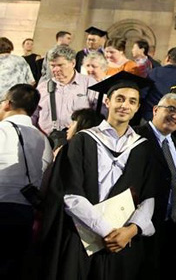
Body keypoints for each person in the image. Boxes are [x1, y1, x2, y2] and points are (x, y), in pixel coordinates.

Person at [41, 72, 156, 280]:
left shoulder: (143, 148)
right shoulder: (83, 141)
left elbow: (148, 197)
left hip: (123, 242)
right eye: (119, 99)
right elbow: (70, 193)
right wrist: (107, 230)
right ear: (107, 101)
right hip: (83, 238)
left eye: (132, 101)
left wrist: (130, 230)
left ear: (138, 107)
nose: (125, 106)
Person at [0, 84, 53, 280]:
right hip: (25, 211)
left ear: (8, 104)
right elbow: (47, 175)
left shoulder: (2, 129)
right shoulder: (43, 138)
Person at [134, 93, 176, 279]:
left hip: (171, 227)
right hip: (142, 227)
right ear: (155, 110)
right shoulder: (135, 136)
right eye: (171, 109)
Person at [33, 45, 97, 141]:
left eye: (60, 65)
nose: (55, 70)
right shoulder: (42, 87)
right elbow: (33, 116)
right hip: (45, 142)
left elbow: (99, 115)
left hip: (77, 141)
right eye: (52, 65)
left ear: (73, 63)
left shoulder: (89, 84)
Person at [142, 47, 176, 121]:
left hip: (149, 116)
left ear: (167, 58)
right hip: (171, 119)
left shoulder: (154, 72)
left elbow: (143, 93)